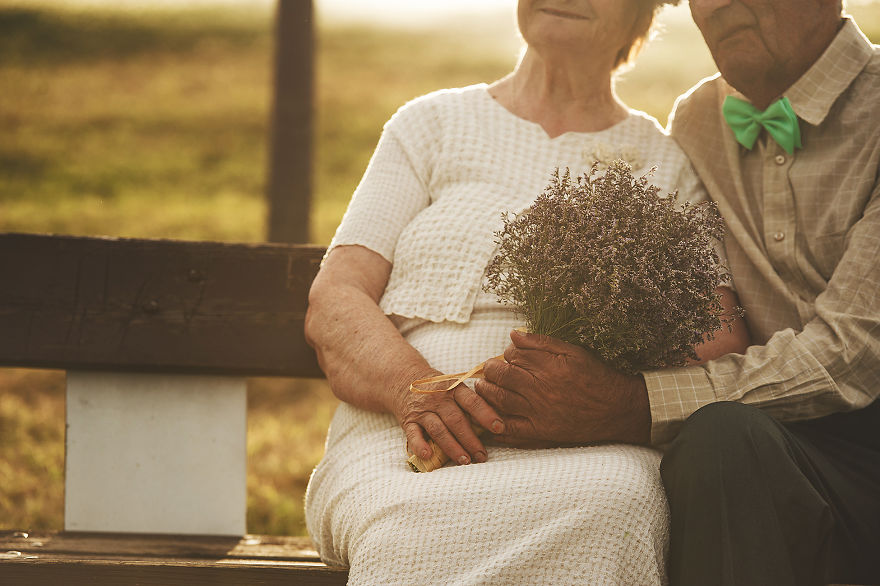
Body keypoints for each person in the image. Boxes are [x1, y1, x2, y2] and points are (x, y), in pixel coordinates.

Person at [304, 1, 750, 584]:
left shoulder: (667, 164)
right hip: (403, 439)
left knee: (615, 503)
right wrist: (416, 392)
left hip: (585, 448)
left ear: (641, 14)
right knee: (413, 524)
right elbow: (336, 296)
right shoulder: (430, 125)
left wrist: (600, 395)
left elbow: (720, 338)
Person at [474, 1, 880, 584]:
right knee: (718, 442)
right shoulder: (698, 121)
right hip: (765, 448)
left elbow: (853, 354)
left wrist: (630, 405)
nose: (716, 4)